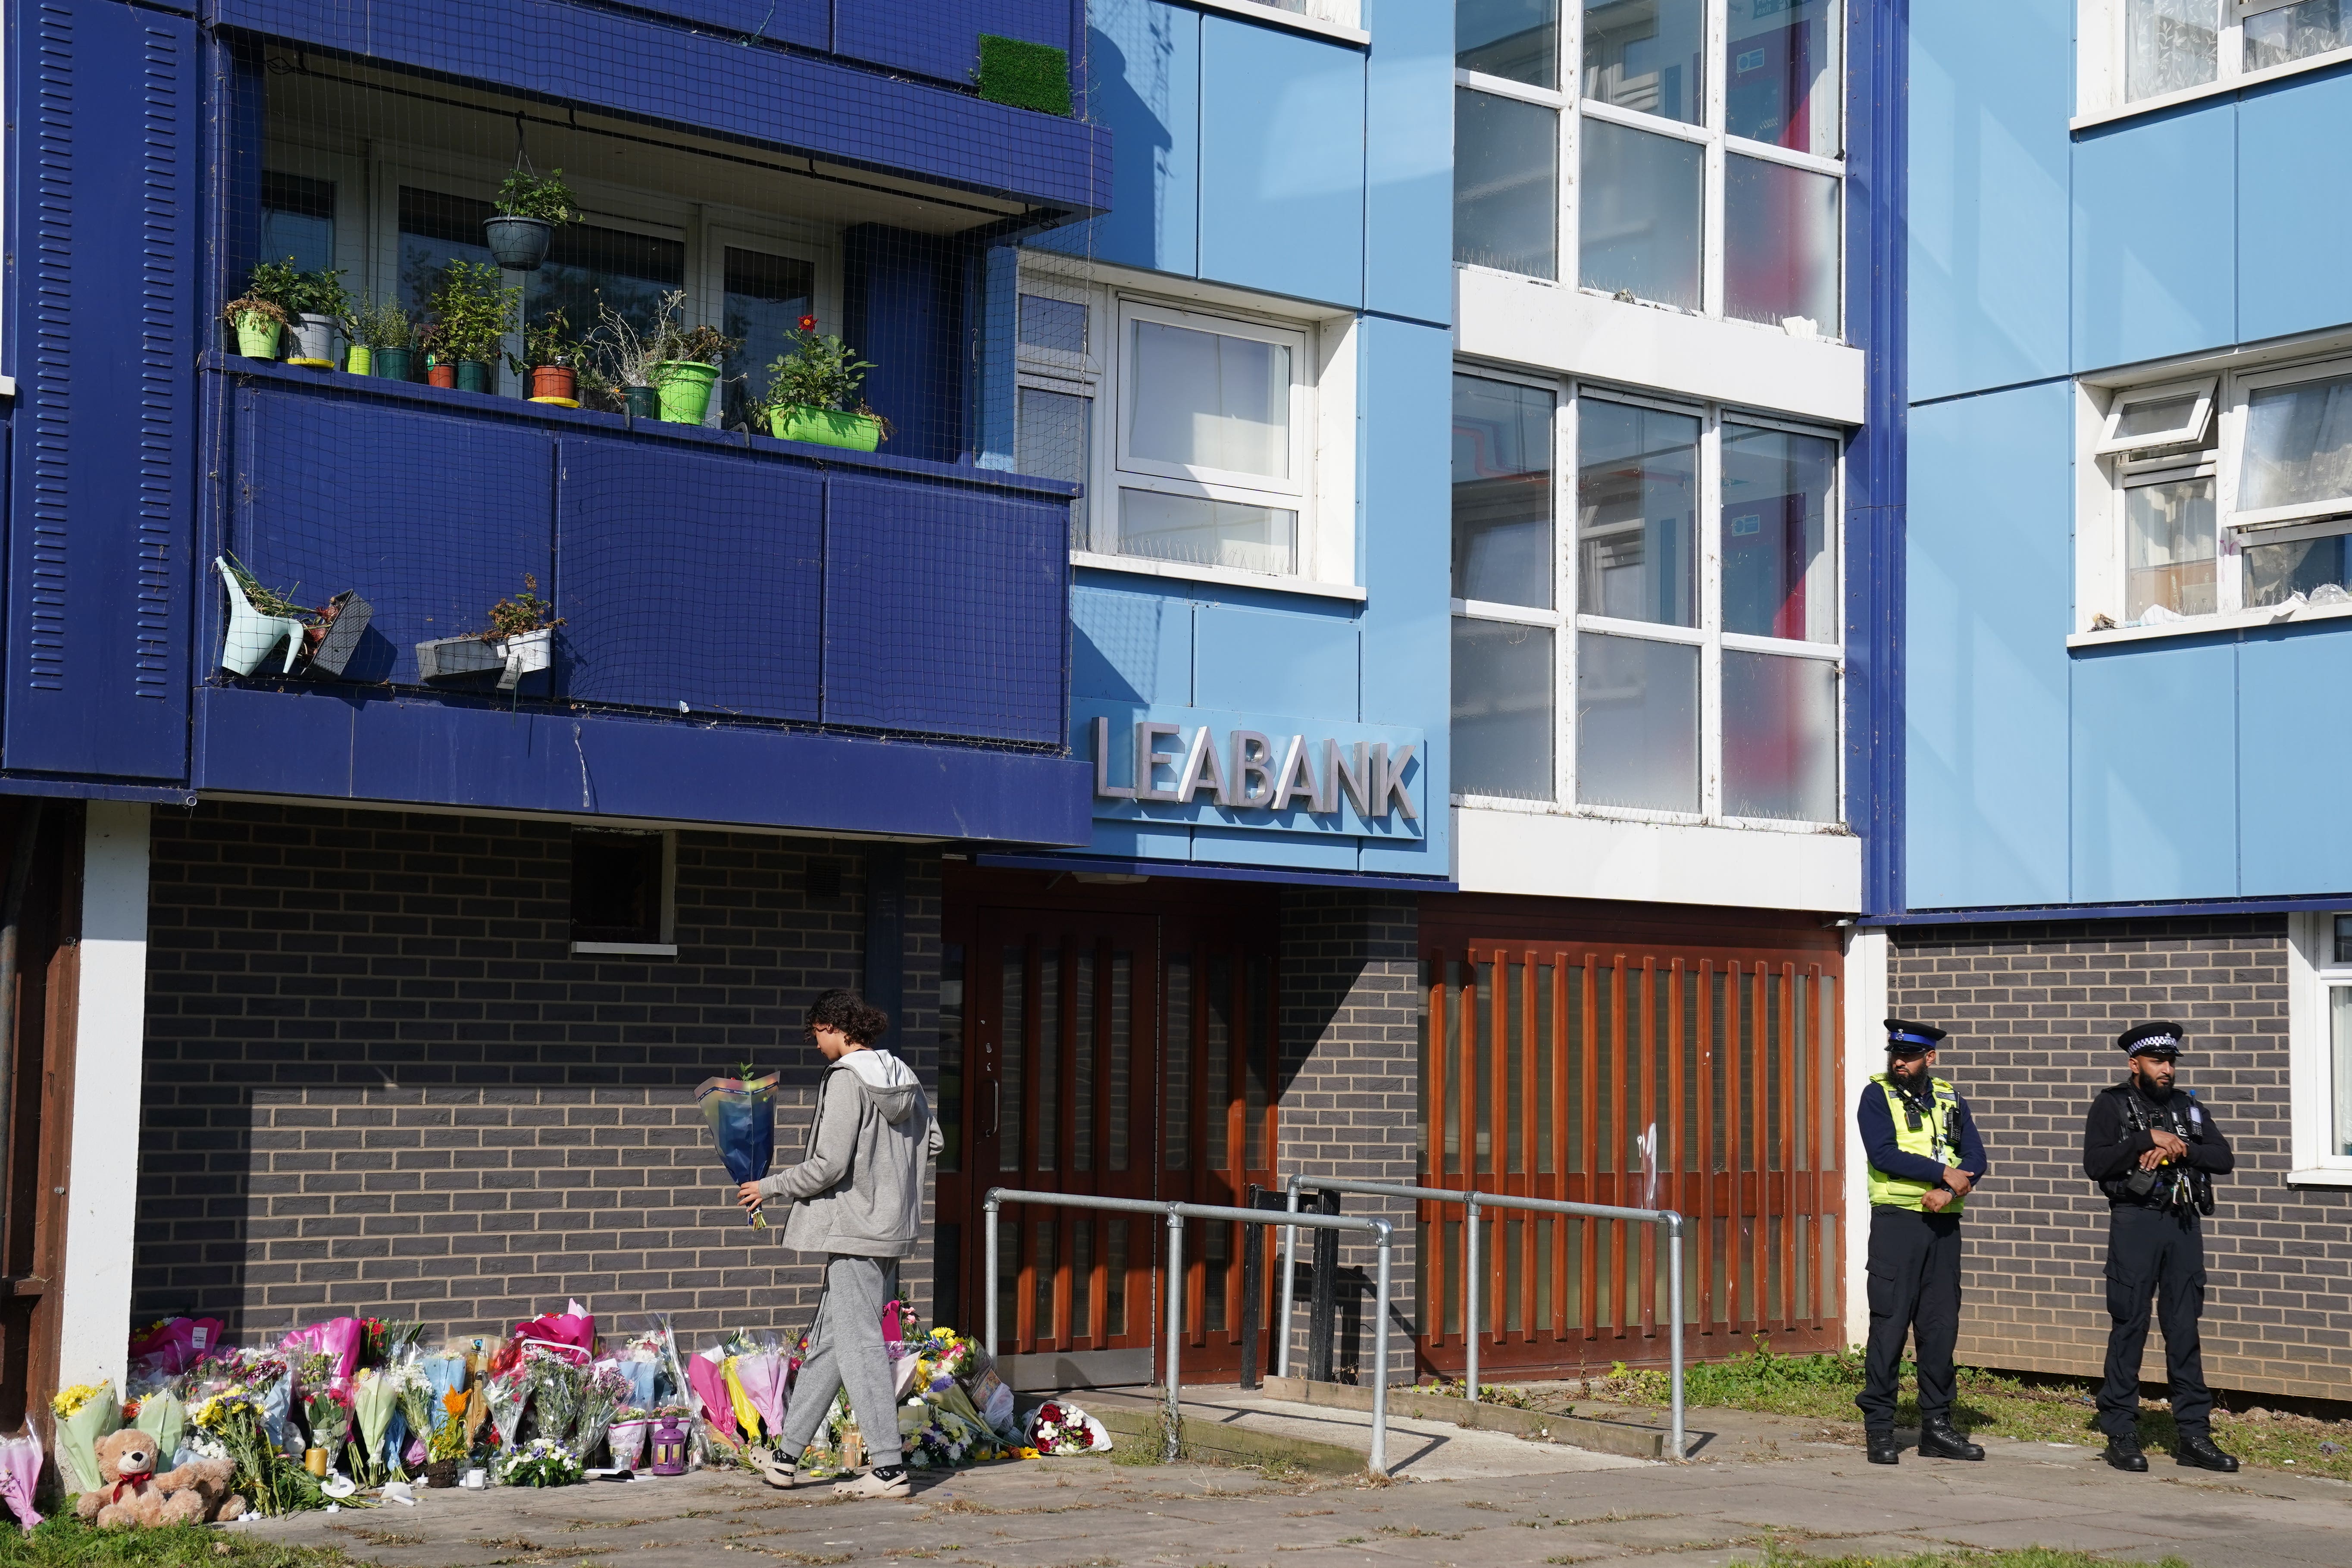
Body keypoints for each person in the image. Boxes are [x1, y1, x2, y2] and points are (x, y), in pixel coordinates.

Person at [738, 988, 941, 1499]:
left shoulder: (847, 1079)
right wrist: (891, 1179)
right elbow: (933, 1142)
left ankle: (889, 1468)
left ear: (835, 1027)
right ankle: (785, 1458)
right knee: (832, 1340)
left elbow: (828, 1165)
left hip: (854, 1229)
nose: (816, 1046)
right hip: (891, 1229)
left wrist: (768, 1187)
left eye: (817, 1035)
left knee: (858, 1344)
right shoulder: (903, 1075)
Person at [2083, 1020, 2237, 1474]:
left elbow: (2223, 1158)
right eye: (2156, 1061)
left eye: (2170, 1061)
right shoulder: (2110, 1103)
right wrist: (2143, 1140)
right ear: (2135, 1063)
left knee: (2183, 1329)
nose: (2165, 1069)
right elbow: (2093, 1163)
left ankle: (2193, 1434)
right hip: (2135, 1222)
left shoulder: (2188, 1106)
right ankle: (2120, 1431)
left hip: (2183, 1224)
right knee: (2129, 1324)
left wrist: (2179, 1148)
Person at [1855, 1017, 1990, 1465]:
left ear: (1928, 1058)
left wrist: (1949, 1189)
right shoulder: (1877, 1095)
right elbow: (1883, 1153)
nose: (1899, 1062)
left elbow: (1975, 1157)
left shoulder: (1950, 1097)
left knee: (1939, 1329)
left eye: (1909, 1056)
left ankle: (1937, 1427)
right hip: (1898, 1224)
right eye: (1895, 1054)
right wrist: (1939, 1174)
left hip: (1943, 1225)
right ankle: (1879, 1427)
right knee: (1889, 1325)